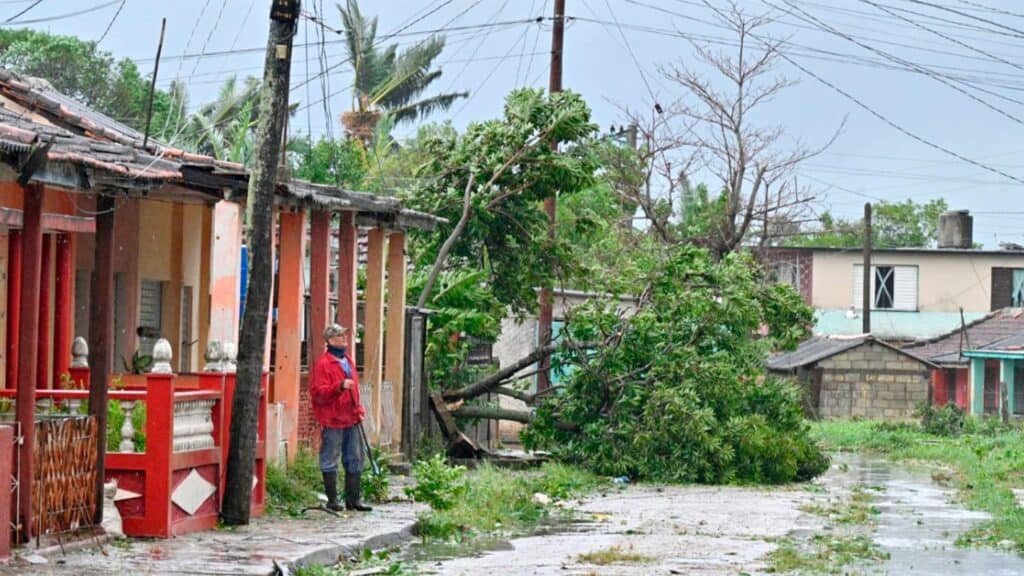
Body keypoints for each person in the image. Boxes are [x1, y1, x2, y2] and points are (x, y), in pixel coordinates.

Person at [309, 323, 372, 512]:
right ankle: (333, 500)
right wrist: (339, 386)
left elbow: (355, 390)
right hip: (332, 419)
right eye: (339, 337)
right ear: (329, 341)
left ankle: (354, 500)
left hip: (351, 417)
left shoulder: (348, 361)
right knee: (331, 458)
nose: (343, 340)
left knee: (355, 457)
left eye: (344, 336)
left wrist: (358, 408)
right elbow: (318, 393)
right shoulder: (324, 364)